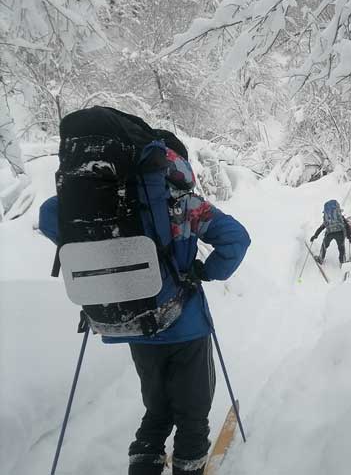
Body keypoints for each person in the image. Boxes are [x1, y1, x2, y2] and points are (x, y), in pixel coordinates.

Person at [39, 130, 250, 475]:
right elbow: (236, 239)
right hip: (186, 328)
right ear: (176, 162)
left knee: (156, 411)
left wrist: (93, 249)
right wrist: (207, 271)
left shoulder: (109, 200)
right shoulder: (185, 203)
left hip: (135, 324)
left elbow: (50, 215)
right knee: (192, 415)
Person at [310, 199, 351, 266]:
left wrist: (315, 235)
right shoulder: (340, 217)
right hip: (340, 233)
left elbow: (322, 227)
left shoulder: (327, 218)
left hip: (329, 233)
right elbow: (346, 226)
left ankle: (320, 259)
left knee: (324, 245)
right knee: (341, 248)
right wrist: (349, 236)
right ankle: (343, 262)